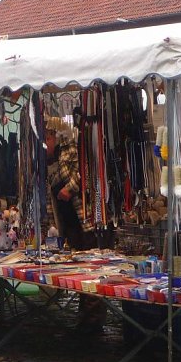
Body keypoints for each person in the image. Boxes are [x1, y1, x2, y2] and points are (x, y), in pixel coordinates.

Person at [45, 124, 106, 334]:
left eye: (47, 138)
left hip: (83, 218)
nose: (45, 144)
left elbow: (86, 172)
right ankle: (86, 316)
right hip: (68, 221)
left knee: (91, 267)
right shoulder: (47, 159)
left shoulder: (70, 150)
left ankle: (92, 321)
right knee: (80, 266)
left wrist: (69, 189)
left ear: (54, 135)